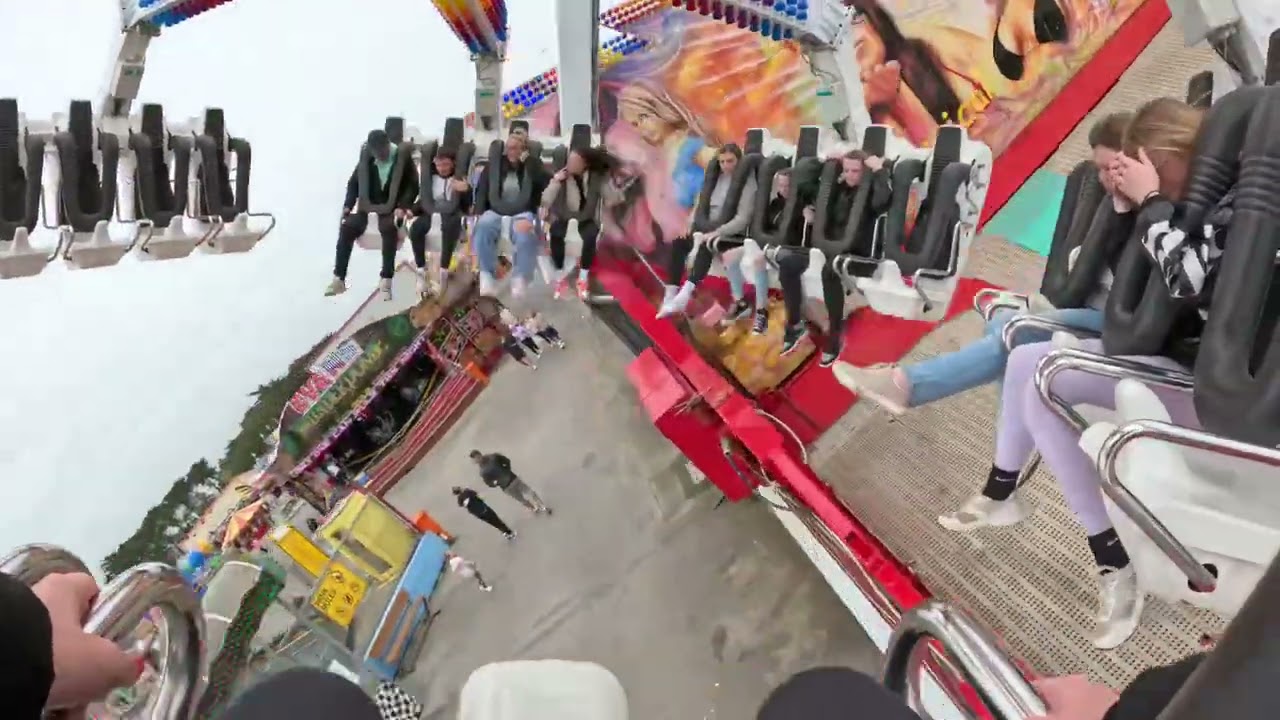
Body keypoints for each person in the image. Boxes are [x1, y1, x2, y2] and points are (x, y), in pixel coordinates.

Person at [940, 98, 1209, 649]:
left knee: (1029, 345)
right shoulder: (1142, 213)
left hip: (1201, 380)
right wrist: (1129, 207)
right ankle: (1107, 556)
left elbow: (1186, 288)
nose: (1119, 179)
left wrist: (1152, 203)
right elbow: (1087, 278)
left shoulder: (1201, 210)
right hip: (1157, 356)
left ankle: (1002, 489)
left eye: (1131, 166)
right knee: (1031, 363)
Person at [832, 113, 1133, 411]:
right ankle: (1010, 441)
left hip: (1111, 321)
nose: (1103, 178)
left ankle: (906, 384)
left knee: (1014, 332)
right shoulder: (1107, 205)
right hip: (1084, 307)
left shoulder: (1142, 214)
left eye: (1110, 168)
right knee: (1003, 325)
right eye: (1100, 169)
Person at [776, 150, 892, 367]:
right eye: (846, 170)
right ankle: (794, 324)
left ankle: (835, 334)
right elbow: (804, 184)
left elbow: (883, 201)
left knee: (829, 271)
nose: (850, 175)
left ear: (865, 171)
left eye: (855, 171)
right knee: (788, 263)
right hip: (829, 248)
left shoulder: (871, 191)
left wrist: (879, 170)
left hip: (858, 254)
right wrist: (824, 162)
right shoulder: (839, 190)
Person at [657, 143, 759, 319]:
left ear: (739, 161)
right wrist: (690, 222)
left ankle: (686, 293)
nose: (726, 166)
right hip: (705, 224)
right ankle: (671, 293)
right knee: (679, 242)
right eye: (722, 162)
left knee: (707, 243)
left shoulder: (747, 183)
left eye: (730, 161)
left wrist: (717, 231)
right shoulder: (715, 178)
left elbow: (743, 218)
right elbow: (701, 203)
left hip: (730, 231)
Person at [326, 129, 419, 300]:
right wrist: (348, 205)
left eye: (382, 151)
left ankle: (386, 279)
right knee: (347, 228)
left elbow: (413, 186)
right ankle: (339, 278)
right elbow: (354, 183)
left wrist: (403, 206)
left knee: (388, 228)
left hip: (390, 208)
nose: (379, 155)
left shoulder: (402, 159)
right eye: (376, 152)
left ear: (387, 146)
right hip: (367, 207)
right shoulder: (367, 160)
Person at [471, 131, 552, 297]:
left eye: (515, 148)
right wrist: (479, 211)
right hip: (496, 210)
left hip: (523, 211)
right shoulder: (494, 166)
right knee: (483, 227)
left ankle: (521, 277)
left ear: (523, 149)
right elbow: (482, 190)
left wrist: (528, 161)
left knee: (524, 235)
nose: (511, 152)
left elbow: (546, 182)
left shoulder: (533, 165)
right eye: (508, 148)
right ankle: (487, 274)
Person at [542, 146, 626, 300]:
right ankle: (560, 276)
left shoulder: (595, 178)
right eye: (569, 160)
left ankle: (583, 277)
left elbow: (614, 199)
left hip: (586, 217)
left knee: (590, 235)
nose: (570, 164)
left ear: (584, 164)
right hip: (565, 216)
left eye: (574, 161)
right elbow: (545, 199)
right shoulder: (563, 176)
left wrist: (608, 180)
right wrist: (555, 181)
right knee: (556, 233)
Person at [407, 149, 472, 295]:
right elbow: (424, 200)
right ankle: (421, 269)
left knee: (449, 227)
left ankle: (444, 270)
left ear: (453, 164)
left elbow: (468, 205)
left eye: (446, 165)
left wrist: (466, 190)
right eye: (439, 165)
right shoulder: (432, 179)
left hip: (451, 216)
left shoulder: (458, 179)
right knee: (415, 229)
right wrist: (412, 210)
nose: (442, 169)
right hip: (432, 215)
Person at [470, 449, 552, 514]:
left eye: (477, 458)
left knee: (530, 492)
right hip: (506, 487)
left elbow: (506, 461)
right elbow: (489, 483)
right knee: (521, 499)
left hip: (513, 479)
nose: (477, 460)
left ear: (480, 454)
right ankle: (533, 508)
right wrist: (496, 483)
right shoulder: (482, 472)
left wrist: (507, 471)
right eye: (475, 460)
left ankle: (542, 506)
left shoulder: (493, 457)